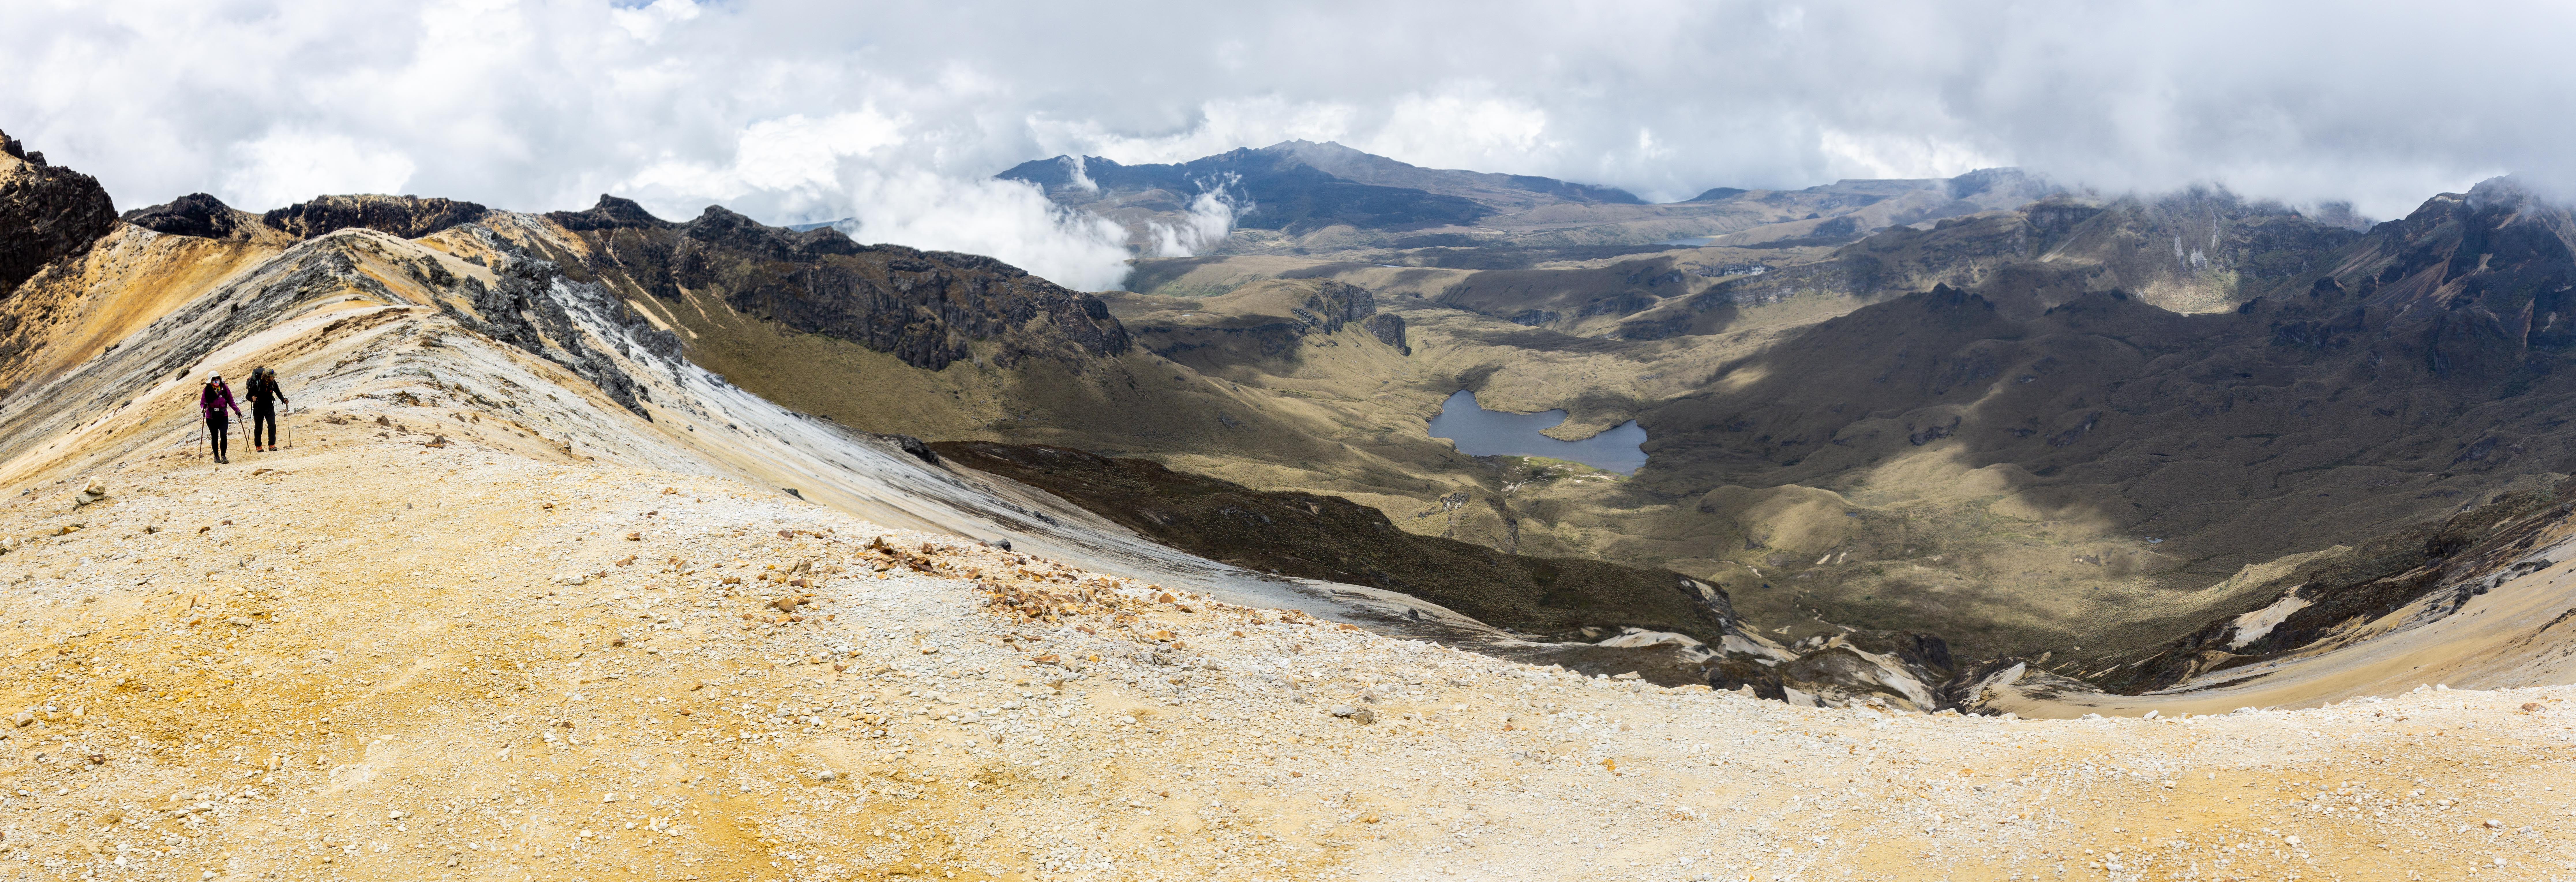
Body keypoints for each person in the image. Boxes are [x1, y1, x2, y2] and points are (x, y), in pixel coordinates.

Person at [200, 374, 241, 464]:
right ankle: (216, 457)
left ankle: (224, 456)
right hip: (211, 418)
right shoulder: (207, 390)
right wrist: (203, 408)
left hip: (223, 416)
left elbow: (231, 401)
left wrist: (237, 411)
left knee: (224, 435)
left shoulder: (225, 388)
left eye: (218, 379)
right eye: (214, 379)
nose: (216, 381)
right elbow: (203, 403)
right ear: (211, 381)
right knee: (215, 437)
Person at [246, 366, 287, 452]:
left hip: (269, 407)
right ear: (267, 377)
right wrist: (252, 399)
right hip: (258, 408)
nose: (274, 378)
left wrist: (283, 400)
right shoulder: (257, 384)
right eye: (272, 376)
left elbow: (278, 392)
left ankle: (272, 445)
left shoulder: (273, 383)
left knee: (272, 425)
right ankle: (258, 446)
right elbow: (248, 396)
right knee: (259, 428)